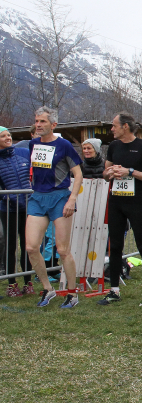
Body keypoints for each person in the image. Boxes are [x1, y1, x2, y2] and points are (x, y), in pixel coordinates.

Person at [97, 113, 142, 306]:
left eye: (114, 126)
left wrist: (130, 172)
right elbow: (105, 174)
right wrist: (109, 173)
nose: (111, 129)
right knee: (115, 246)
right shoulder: (114, 147)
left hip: (136, 203)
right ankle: (114, 290)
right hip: (116, 202)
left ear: (125, 126)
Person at [25, 107, 83, 309]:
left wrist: (72, 199)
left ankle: (72, 293)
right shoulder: (33, 144)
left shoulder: (64, 145)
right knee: (32, 247)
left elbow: (78, 174)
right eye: (37, 121)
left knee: (63, 250)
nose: (38, 125)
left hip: (60, 198)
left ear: (53, 125)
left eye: (42, 121)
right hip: (38, 197)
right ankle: (48, 288)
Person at [0, 126, 32, 297]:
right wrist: (7, 198)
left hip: (27, 207)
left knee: (28, 245)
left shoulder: (22, 154)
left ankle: (28, 282)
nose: (7, 138)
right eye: (3, 136)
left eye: (9, 135)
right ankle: (12, 284)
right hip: (8, 210)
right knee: (11, 246)